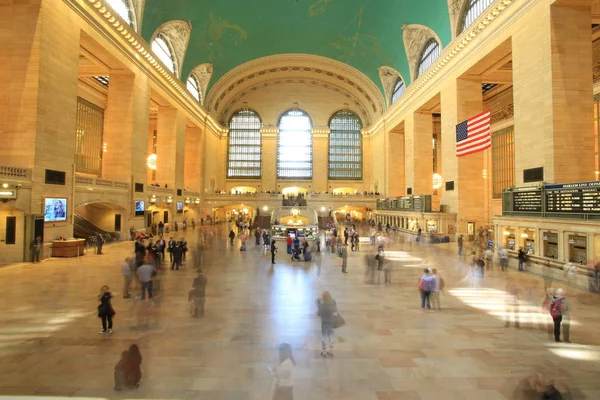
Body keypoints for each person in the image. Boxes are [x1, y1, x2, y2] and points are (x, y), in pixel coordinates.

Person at [317, 291, 338, 357]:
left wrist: (319, 305)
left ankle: (324, 352)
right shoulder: (333, 302)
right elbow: (336, 311)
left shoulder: (323, 305)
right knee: (331, 336)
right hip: (331, 322)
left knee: (324, 337)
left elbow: (319, 313)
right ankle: (331, 351)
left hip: (324, 323)